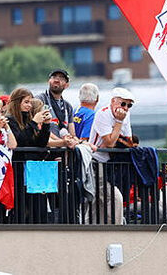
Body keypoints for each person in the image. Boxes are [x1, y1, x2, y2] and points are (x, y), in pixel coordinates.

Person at [88, 88, 136, 224]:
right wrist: (119, 123)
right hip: (97, 161)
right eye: (122, 104)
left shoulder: (126, 115)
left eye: (129, 105)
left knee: (101, 201)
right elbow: (110, 143)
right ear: (113, 102)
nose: (125, 108)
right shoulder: (103, 114)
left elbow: (129, 141)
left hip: (113, 163)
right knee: (113, 198)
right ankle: (116, 227)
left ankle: (102, 227)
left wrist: (116, 135)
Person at [4, 88, 51, 223]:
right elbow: (19, 141)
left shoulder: (29, 119)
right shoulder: (10, 120)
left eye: (30, 102)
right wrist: (34, 123)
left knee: (39, 209)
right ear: (17, 102)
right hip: (19, 170)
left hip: (34, 170)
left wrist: (46, 125)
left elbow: (40, 143)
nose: (29, 105)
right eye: (26, 102)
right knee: (22, 208)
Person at [37, 69, 78, 147]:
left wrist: (80, 142)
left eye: (61, 78)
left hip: (63, 149)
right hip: (47, 149)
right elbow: (39, 127)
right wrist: (62, 142)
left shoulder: (68, 106)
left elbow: (72, 134)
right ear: (48, 81)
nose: (56, 80)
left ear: (67, 85)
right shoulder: (40, 100)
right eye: (54, 77)